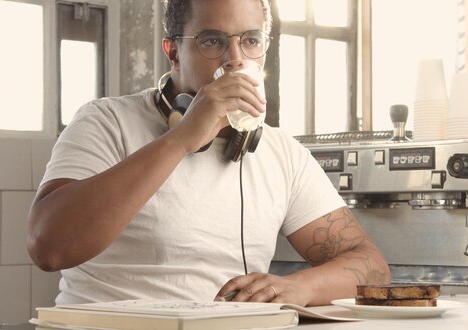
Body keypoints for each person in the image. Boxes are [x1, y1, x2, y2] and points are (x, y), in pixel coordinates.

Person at [27, 0, 390, 307]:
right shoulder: (106, 121)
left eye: (250, 40)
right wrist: (182, 138)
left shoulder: (282, 153)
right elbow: (49, 248)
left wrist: (299, 287)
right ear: (173, 52)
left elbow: (371, 265)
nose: (234, 59)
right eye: (212, 41)